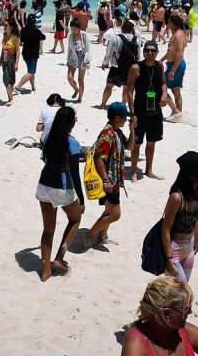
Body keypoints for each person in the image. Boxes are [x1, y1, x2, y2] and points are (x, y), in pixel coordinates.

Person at [122, 276, 198, 356]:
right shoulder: (136, 340)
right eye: (186, 309)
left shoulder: (185, 331)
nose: (190, 312)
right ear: (166, 313)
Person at [34, 107, 84, 281]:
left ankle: (45, 270)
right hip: (62, 187)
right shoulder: (73, 143)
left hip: (44, 185)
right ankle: (60, 257)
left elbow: (46, 159)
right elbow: (75, 175)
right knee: (75, 219)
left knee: (48, 230)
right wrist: (82, 199)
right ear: (71, 123)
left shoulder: (47, 137)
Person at [160, 152, 198, 282]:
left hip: (189, 248)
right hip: (174, 251)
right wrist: (168, 259)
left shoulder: (196, 191)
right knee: (181, 288)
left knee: (182, 289)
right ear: (191, 174)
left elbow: (195, 217)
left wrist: (197, 239)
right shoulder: (176, 197)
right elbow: (165, 229)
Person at [83, 102, 130, 248]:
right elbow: (98, 158)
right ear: (117, 117)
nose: (126, 119)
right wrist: (105, 180)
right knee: (115, 214)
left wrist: (133, 129)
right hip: (109, 180)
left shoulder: (117, 131)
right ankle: (89, 235)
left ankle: (102, 237)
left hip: (115, 179)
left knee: (108, 211)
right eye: (125, 117)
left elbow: (130, 146)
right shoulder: (107, 134)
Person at [126, 41, 167, 181]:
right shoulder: (136, 68)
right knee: (136, 144)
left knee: (151, 143)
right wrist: (132, 114)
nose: (150, 53)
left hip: (156, 112)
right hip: (140, 112)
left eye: (153, 50)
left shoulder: (159, 65)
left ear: (157, 52)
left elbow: (163, 83)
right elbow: (129, 91)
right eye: (147, 50)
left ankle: (149, 170)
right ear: (143, 52)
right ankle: (133, 171)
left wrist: (164, 94)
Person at [100, 20, 139, 108]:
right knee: (126, 87)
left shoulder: (117, 38)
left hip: (116, 66)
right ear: (132, 29)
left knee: (109, 85)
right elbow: (138, 54)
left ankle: (103, 104)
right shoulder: (136, 39)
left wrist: (105, 62)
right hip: (130, 67)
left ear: (122, 28)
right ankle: (123, 105)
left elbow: (109, 51)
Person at [161, 15, 187, 116]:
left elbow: (179, 55)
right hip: (176, 64)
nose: (167, 23)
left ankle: (175, 111)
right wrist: (162, 60)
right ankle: (178, 114)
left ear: (172, 24)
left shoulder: (178, 35)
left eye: (169, 22)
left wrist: (172, 70)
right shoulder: (177, 34)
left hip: (176, 64)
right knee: (176, 90)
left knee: (160, 86)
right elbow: (171, 51)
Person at [15, 14, 45, 92]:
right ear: (34, 22)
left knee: (30, 71)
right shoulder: (36, 31)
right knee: (31, 72)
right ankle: (18, 86)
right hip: (33, 54)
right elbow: (43, 37)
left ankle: (33, 86)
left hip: (25, 53)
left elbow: (22, 39)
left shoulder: (23, 30)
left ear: (27, 21)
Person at [65, 18, 90, 102]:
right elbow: (69, 48)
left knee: (80, 80)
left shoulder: (84, 35)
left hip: (83, 58)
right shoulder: (70, 36)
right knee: (70, 78)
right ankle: (76, 89)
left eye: (75, 28)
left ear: (79, 28)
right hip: (73, 57)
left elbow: (88, 48)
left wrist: (86, 59)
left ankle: (80, 98)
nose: (73, 30)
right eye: (72, 28)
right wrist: (68, 59)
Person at [0, 23, 20, 105]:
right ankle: (10, 98)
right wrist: (0, 60)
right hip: (4, 61)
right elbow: (3, 48)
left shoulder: (15, 37)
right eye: (4, 26)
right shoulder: (5, 35)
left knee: (8, 79)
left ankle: (10, 99)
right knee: (6, 79)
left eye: (6, 26)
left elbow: (18, 51)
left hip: (11, 61)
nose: (4, 27)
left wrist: (17, 63)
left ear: (11, 27)